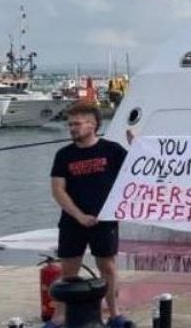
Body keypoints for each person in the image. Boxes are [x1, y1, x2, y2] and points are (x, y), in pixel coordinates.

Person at [48, 102, 130, 328]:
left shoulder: (112, 150)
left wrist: (136, 146)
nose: (72, 128)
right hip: (73, 220)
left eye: (77, 123)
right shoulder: (64, 155)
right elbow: (57, 189)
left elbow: (137, 171)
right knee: (69, 269)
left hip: (104, 219)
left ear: (93, 124)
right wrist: (78, 215)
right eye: (70, 124)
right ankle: (60, 316)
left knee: (108, 267)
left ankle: (114, 314)